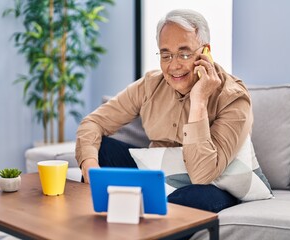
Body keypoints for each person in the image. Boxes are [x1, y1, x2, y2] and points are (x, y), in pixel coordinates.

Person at [75, 9, 253, 213]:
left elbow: (203, 175)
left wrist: (199, 101)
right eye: (166, 55)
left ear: (206, 52)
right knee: (102, 149)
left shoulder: (233, 97)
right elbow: (93, 123)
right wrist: (89, 164)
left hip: (212, 185)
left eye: (184, 54)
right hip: (159, 174)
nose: (174, 65)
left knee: (186, 199)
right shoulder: (151, 85)